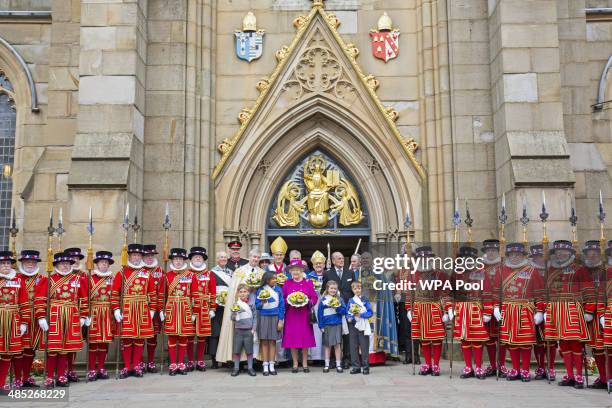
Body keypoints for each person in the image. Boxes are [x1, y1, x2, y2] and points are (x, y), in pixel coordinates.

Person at [544, 240, 592, 388]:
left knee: (576, 345)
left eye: (563, 252)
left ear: (570, 253)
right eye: (557, 252)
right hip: (556, 310)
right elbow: (547, 293)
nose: (560, 254)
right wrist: (546, 309)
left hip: (573, 310)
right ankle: (570, 375)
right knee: (563, 344)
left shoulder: (579, 269)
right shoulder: (551, 270)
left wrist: (589, 310)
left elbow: (589, 291)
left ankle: (578, 377)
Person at [35, 252, 88, 388]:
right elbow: (40, 300)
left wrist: (83, 316)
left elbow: (83, 300)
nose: (65, 266)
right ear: (56, 265)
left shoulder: (77, 280)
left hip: (71, 316)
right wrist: (41, 316)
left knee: (65, 348)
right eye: (62, 264)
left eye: (67, 264)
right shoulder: (48, 280)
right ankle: (49, 376)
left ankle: (61, 375)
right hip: (54, 317)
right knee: (53, 348)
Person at [496, 243, 544, 382]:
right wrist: (494, 308)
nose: (514, 257)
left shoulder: (532, 271)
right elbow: (495, 293)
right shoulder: (501, 271)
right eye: (511, 255)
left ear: (523, 256)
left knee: (526, 342)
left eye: (518, 255)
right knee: (511, 342)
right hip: (508, 310)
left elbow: (540, 294)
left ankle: (525, 370)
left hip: (525, 310)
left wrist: (540, 311)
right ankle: (515, 369)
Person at [111, 244, 156, 379]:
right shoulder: (121, 273)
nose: (136, 258)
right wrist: (116, 309)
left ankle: (136, 365)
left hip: (142, 309)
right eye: (133, 255)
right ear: (129, 257)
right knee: (127, 339)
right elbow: (115, 293)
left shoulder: (147, 273)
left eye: (138, 255)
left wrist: (152, 309)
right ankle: (127, 366)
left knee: (139, 339)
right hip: (127, 308)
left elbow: (152, 293)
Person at [447, 246, 490, 379]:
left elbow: (488, 292)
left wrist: (488, 311)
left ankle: (478, 367)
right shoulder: (455, 273)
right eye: (464, 259)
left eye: (469, 259)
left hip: (477, 308)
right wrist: (449, 308)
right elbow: (449, 292)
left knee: (477, 340)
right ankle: (468, 367)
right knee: (464, 340)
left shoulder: (482, 272)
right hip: (460, 308)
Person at [406, 246, 450, 376]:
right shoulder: (412, 274)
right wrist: (409, 309)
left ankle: (435, 364)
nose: (425, 260)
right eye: (422, 258)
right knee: (423, 339)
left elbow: (446, 293)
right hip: (419, 308)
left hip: (434, 307)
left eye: (427, 258)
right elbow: (410, 293)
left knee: (436, 338)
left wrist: (447, 310)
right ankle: (427, 364)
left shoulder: (440, 274)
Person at [217, 249, 262, 364]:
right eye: (254, 257)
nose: (255, 259)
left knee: (254, 332)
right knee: (241, 332)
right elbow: (233, 289)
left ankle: (255, 360)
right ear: (249, 256)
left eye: (258, 257)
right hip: (241, 306)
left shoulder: (262, 272)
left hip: (255, 305)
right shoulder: (240, 271)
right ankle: (240, 361)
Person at [161, 248, 197, 376]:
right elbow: (162, 294)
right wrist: (161, 309)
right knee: (172, 337)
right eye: (176, 259)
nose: (178, 262)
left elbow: (195, 294)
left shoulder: (190, 275)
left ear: (184, 261)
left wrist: (195, 312)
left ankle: (181, 363)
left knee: (183, 337)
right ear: (172, 260)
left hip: (186, 309)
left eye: (180, 259)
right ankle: (172, 364)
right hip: (171, 308)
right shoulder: (167, 276)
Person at [359, 251, 399, 364]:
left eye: (367, 258)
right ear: (361, 261)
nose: (365, 260)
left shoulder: (379, 273)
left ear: (372, 260)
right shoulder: (357, 273)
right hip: (361, 307)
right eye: (363, 258)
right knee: (363, 331)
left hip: (376, 307)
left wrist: (375, 285)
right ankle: (362, 357)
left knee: (374, 332)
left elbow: (385, 290)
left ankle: (376, 358)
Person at [0, 251, 29, 391]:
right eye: (2, 263)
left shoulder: (18, 280)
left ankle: (1, 383)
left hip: (13, 319)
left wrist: (24, 322)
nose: (5, 266)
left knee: (8, 352)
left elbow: (24, 303)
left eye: (8, 263)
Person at [282, 259, 318, 373]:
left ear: (302, 270)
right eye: (293, 270)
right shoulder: (287, 283)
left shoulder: (308, 283)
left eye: (298, 269)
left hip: (304, 315)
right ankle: (295, 364)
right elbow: (283, 299)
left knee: (305, 340)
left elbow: (314, 297)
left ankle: (305, 363)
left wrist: (308, 301)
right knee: (292, 340)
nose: (295, 272)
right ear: (290, 272)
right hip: (291, 315)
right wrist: (289, 301)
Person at [13, 250, 42, 388]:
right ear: (22, 263)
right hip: (18, 317)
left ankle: (26, 377)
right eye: (27, 262)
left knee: (30, 349)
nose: (30, 264)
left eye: (33, 262)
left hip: (36, 318)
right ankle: (17, 378)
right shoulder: (15, 278)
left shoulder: (43, 279)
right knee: (18, 349)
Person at [582, 240, 607, 389]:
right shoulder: (584, 271)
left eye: (595, 253)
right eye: (589, 254)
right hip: (592, 316)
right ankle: (603, 377)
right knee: (597, 348)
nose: (591, 256)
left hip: (605, 313)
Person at [87, 251, 115, 381]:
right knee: (93, 342)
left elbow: (115, 296)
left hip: (107, 313)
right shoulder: (89, 279)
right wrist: (85, 314)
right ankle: (92, 368)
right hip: (94, 312)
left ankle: (101, 368)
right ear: (97, 264)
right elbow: (84, 298)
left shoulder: (112, 279)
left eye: (106, 263)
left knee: (104, 342)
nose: (104, 265)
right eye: (101, 262)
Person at [323, 251, 354, 368]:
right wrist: (330, 302)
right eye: (339, 259)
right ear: (333, 260)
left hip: (346, 309)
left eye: (342, 258)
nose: (342, 260)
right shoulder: (327, 273)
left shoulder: (350, 273)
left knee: (346, 335)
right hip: (332, 311)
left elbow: (353, 291)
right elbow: (323, 291)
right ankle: (331, 360)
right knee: (332, 335)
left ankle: (346, 359)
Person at [479, 239, 506, 377]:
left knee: (501, 338)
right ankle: (492, 365)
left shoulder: (505, 266)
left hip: (502, 306)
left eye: (493, 251)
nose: (490, 253)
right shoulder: (480, 267)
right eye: (488, 250)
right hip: (483, 307)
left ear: (498, 252)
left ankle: (501, 365)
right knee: (489, 338)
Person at [190, 246, 216, 371]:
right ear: (191, 259)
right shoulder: (187, 274)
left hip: (204, 308)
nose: (198, 259)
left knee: (202, 336)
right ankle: (190, 360)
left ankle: (200, 360)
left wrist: (212, 308)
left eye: (200, 257)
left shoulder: (209, 274)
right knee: (189, 335)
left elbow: (213, 292)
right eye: (195, 257)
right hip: (189, 308)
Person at [64, 247, 88, 382]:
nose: (75, 261)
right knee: (62, 344)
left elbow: (86, 297)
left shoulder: (84, 276)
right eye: (72, 259)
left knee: (73, 344)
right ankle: (63, 369)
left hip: (77, 316)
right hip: (62, 315)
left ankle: (71, 368)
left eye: (77, 259)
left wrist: (84, 315)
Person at [255, 271, 285, 376]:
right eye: (273, 278)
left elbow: (282, 305)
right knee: (264, 342)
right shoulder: (260, 290)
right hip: (263, 317)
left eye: (275, 278)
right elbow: (257, 305)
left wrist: (281, 320)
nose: (275, 280)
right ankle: (265, 366)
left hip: (275, 317)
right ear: (267, 280)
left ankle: (272, 365)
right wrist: (262, 303)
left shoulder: (278, 290)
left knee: (273, 342)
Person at [142, 244, 164, 373]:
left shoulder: (160, 271)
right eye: (147, 256)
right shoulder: (138, 270)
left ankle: (150, 362)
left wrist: (160, 308)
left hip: (154, 310)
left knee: (152, 336)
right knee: (138, 336)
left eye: (151, 256)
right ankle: (138, 362)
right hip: (138, 308)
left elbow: (162, 291)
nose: (149, 258)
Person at [318, 280, 346, 373]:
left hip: (337, 324)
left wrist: (337, 308)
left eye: (335, 289)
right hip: (326, 324)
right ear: (327, 289)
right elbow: (320, 314)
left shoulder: (339, 299)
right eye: (331, 288)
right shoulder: (323, 300)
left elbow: (344, 311)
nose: (333, 290)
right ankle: (327, 364)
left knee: (337, 345)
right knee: (327, 345)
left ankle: (338, 364)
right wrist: (321, 325)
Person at [528, 244, 547, 380]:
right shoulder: (530, 271)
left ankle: (549, 367)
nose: (538, 259)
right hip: (533, 309)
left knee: (551, 341)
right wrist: (538, 310)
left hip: (553, 308)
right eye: (535, 257)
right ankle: (540, 366)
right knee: (537, 340)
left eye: (540, 256)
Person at [210, 251, 232, 368]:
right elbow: (210, 289)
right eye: (221, 257)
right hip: (216, 306)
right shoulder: (212, 272)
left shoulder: (230, 272)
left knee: (227, 332)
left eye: (225, 257)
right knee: (215, 332)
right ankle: (214, 359)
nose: (223, 259)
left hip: (227, 306)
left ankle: (225, 359)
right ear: (217, 259)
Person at [346, 281, 373, 375]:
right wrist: (349, 318)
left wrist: (361, 314)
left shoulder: (365, 299)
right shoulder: (351, 300)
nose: (357, 290)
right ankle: (356, 366)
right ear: (352, 290)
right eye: (355, 288)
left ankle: (366, 367)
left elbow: (370, 313)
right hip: (353, 325)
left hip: (363, 325)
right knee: (353, 346)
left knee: (364, 346)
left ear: (361, 289)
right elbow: (348, 312)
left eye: (359, 288)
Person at [231, 283, 256, 376]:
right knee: (236, 350)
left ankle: (250, 368)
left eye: (245, 292)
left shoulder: (252, 304)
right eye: (240, 292)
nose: (242, 294)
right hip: (238, 330)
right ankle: (236, 368)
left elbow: (255, 317)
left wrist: (254, 328)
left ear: (248, 293)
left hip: (248, 330)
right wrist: (234, 313)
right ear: (238, 293)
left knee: (249, 350)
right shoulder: (236, 304)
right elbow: (232, 318)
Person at [307, 250, 326, 363]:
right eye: (316, 264)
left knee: (325, 329)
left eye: (320, 263)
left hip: (326, 305)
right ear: (313, 265)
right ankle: (314, 357)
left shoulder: (328, 275)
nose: (318, 265)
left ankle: (325, 357)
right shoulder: (309, 277)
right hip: (313, 306)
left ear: (324, 264)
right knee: (315, 330)